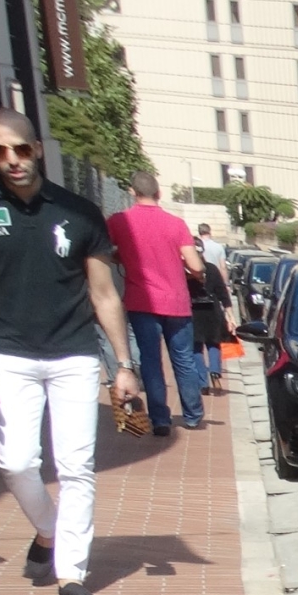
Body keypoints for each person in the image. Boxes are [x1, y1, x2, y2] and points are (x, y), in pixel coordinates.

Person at [0, 108, 144, 595]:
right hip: (7, 356)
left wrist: (124, 365)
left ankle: (71, 569)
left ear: (38, 148)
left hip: (73, 355)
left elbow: (104, 295)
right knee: (15, 462)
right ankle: (50, 531)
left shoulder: (79, 212)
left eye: (21, 148)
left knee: (76, 466)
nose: (12, 160)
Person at [105, 170, 208, 434]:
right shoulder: (176, 224)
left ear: (132, 192)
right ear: (159, 194)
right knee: (183, 360)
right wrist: (195, 272)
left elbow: (103, 251)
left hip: (142, 302)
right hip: (176, 302)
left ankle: (160, 419)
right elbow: (195, 264)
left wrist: (123, 258)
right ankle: (193, 415)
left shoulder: (119, 221)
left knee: (151, 361)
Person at [190, 254, 234, 395]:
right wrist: (230, 314)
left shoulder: (186, 270)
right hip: (212, 311)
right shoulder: (211, 268)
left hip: (193, 311)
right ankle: (215, 372)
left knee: (196, 347)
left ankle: (203, 383)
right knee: (213, 343)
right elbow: (222, 292)